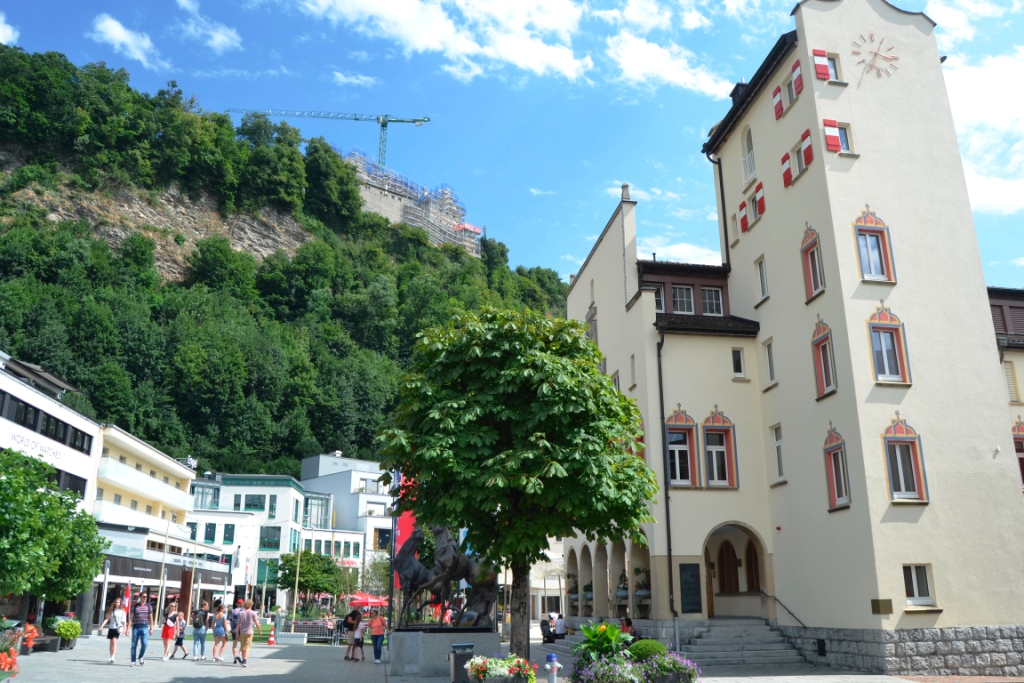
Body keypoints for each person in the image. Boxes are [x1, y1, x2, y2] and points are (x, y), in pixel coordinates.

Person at [99, 597, 127, 663]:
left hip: (117, 628)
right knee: (111, 642)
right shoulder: (112, 610)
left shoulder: (122, 611)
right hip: (111, 627)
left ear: (120, 603)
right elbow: (107, 619)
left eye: (118, 602)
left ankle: (113, 656)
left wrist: (124, 629)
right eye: (116, 602)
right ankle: (111, 655)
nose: (117, 603)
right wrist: (102, 626)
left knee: (114, 641)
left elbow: (124, 621)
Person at [235, 599, 262, 668]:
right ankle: (244, 661)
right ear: (251, 605)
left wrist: (236, 633)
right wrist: (259, 631)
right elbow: (257, 623)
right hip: (249, 632)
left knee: (243, 646)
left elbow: (238, 624)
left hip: (242, 632)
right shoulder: (253, 613)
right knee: (247, 647)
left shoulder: (241, 613)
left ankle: (243, 659)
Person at [129, 593, 154, 667]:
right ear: (140, 597)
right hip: (136, 627)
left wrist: (151, 628)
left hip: (144, 627)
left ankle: (141, 656)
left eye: (146, 596)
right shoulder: (135, 606)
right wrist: (127, 628)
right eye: (144, 597)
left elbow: (151, 618)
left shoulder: (148, 606)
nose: (145, 598)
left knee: (145, 643)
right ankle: (133, 661)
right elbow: (131, 618)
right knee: (134, 645)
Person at [229, 599, 244, 664]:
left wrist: (232, 628)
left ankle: (235, 658)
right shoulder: (243, 611)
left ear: (236, 604)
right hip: (242, 628)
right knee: (242, 643)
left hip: (234, 628)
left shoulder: (233, 611)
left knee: (234, 644)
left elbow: (230, 620)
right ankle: (239, 654)